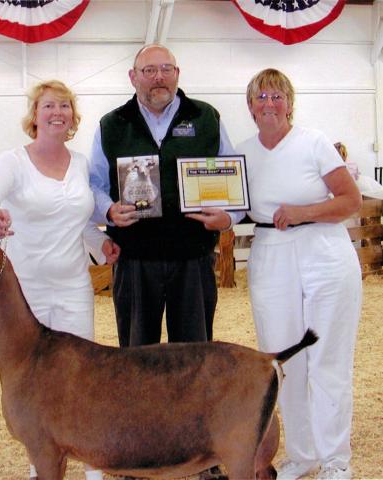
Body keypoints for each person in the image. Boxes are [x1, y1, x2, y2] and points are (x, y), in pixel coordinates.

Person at [0, 80, 119, 480]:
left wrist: (99, 243)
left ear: (73, 117)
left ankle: (94, 468)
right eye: (49, 105)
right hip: (25, 291)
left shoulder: (82, 162)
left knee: (83, 378)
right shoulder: (12, 162)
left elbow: (77, 216)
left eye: (65, 106)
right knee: (33, 383)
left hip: (73, 286)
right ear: (34, 115)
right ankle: (42, 466)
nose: (58, 112)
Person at [234, 68, 362, 480]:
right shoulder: (241, 153)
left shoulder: (314, 143)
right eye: (260, 97)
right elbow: (232, 208)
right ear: (250, 106)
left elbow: (350, 200)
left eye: (277, 96)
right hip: (271, 253)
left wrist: (302, 212)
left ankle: (335, 458)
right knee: (284, 360)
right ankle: (302, 454)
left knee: (328, 357)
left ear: (290, 103)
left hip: (323, 249)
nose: (269, 104)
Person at [90, 43, 236, 349]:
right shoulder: (112, 124)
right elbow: (94, 184)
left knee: (193, 356)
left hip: (193, 257)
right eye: (150, 70)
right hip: (135, 259)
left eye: (166, 69)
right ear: (133, 77)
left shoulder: (206, 117)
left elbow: (230, 178)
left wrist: (228, 218)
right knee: (136, 356)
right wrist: (108, 210)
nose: (159, 77)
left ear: (177, 74)